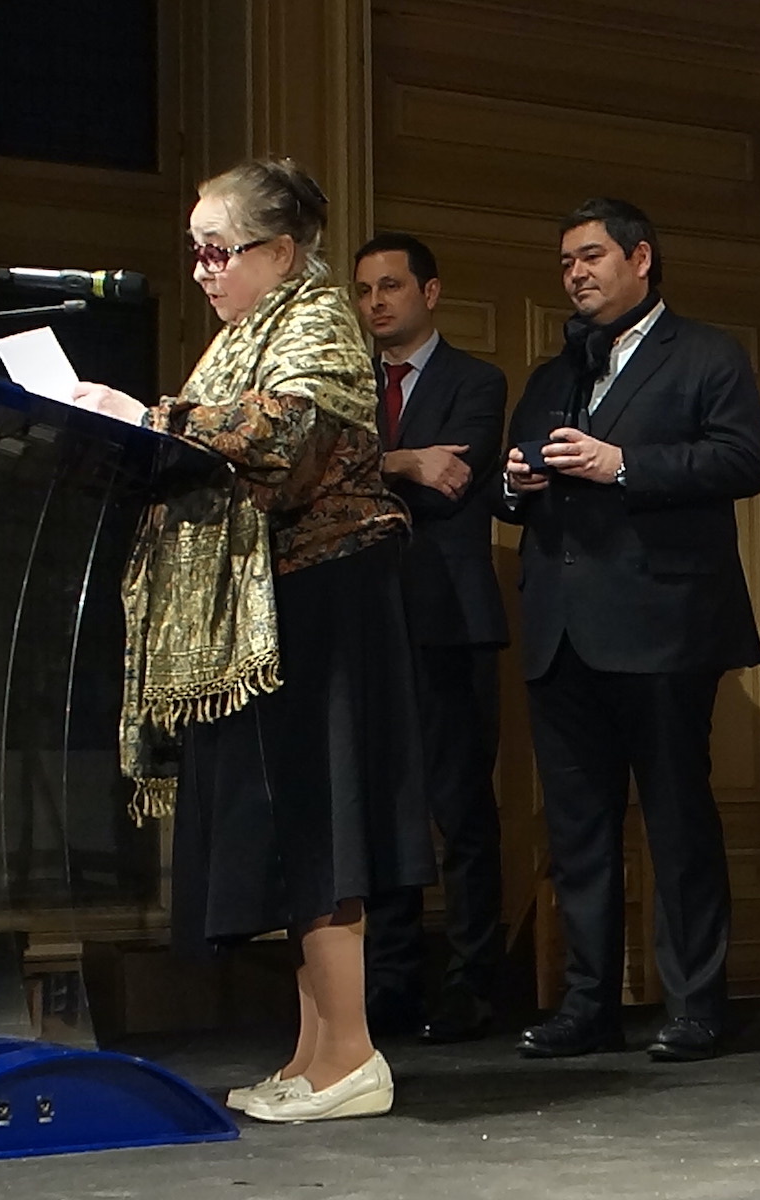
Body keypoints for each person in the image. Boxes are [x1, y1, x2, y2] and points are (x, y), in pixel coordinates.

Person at [72, 158, 432, 1123]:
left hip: (322, 592)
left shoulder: (314, 319)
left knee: (320, 821)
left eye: (217, 249)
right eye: (193, 250)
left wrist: (146, 415)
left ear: (279, 250)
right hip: (275, 596)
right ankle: (316, 1054)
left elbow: (281, 435)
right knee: (287, 825)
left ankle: (352, 1056)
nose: (200, 268)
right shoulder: (245, 334)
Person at [500, 198, 760, 1062]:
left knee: (678, 822)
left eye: (591, 256)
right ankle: (589, 1004)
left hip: (665, 626)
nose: (575, 273)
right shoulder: (552, 377)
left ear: (641, 258)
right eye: (566, 262)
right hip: (561, 631)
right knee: (578, 833)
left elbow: (744, 459)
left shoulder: (706, 354)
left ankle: (696, 1005)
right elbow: (516, 487)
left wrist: (625, 466)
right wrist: (516, 486)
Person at [352, 233, 508, 1042]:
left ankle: (477, 984)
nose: (377, 302)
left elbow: (455, 481)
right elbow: (318, 474)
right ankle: (391, 988)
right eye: (366, 290)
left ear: (430, 293)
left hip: (449, 623)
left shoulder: (477, 381)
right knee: (383, 816)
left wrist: (391, 467)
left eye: (392, 287)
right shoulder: (347, 387)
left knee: (462, 813)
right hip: (366, 627)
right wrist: (404, 461)